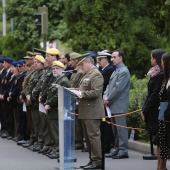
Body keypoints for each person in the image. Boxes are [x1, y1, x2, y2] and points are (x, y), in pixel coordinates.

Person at [71, 53, 105, 169]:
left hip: (93, 111)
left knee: (93, 137)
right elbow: (83, 89)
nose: (80, 67)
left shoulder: (96, 74)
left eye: (82, 65)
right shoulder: (87, 74)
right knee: (88, 137)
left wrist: (80, 94)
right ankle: (92, 159)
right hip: (85, 111)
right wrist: (73, 91)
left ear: (88, 62)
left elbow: (96, 92)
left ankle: (97, 161)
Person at [103, 50, 130, 159]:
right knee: (115, 129)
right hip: (112, 104)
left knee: (121, 129)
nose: (112, 59)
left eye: (114, 57)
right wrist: (105, 97)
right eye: (112, 57)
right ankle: (117, 149)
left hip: (119, 104)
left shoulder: (124, 71)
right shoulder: (115, 71)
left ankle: (123, 150)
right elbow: (109, 87)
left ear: (121, 58)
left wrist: (107, 99)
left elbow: (118, 89)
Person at [141, 49, 165, 170]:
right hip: (153, 111)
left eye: (151, 58)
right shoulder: (155, 73)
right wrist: (144, 109)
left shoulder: (161, 75)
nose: (150, 60)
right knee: (158, 140)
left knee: (160, 140)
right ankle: (159, 167)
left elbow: (155, 95)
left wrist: (145, 110)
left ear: (156, 59)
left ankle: (161, 167)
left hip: (158, 111)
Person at [43, 60, 70, 159]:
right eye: (53, 68)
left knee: (58, 132)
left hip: (57, 109)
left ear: (62, 69)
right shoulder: (57, 79)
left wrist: (49, 104)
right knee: (54, 131)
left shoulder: (63, 80)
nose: (54, 70)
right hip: (53, 110)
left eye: (57, 68)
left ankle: (60, 151)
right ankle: (56, 148)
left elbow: (58, 96)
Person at [96, 51, 115, 155]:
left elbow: (102, 84)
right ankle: (104, 145)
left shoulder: (109, 69)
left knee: (106, 125)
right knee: (104, 125)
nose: (98, 61)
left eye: (100, 59)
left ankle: (106, 146)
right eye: (98, 59)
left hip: (106, 101)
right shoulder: (103, 69)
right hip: (102, 100)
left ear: (106, 60)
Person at [69, 52, 85, 150]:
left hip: (77, 100)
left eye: (71, 60)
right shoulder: (75, 71)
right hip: (73, 99)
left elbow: (75, 85)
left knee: (78, 125)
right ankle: (77, 141)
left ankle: (79, 142)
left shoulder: (80, 72)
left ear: (76, 61)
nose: (70, 62)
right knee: (75, 124)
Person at [159, 52, 170, 170]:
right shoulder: (165, 78)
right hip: (163, 115)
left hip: (167, 117)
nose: (161, 64)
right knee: (163, 146)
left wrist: (166, 115)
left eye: (163, 61)